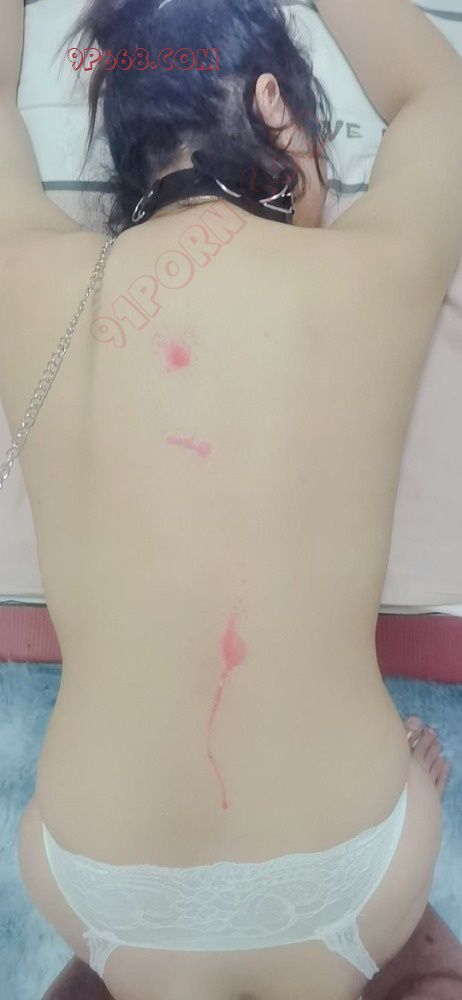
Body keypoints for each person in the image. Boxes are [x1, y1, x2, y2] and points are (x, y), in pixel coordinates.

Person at [0, 0, 460, 998]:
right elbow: (443, 91)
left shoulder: (28, 274)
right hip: (358, 877)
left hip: (97, 887)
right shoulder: (370, 270)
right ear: (272, 105)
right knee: (407, 799)